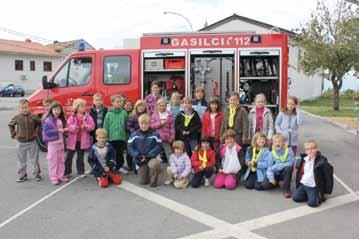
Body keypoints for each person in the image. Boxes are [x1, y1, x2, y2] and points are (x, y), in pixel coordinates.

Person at [8, 99, 42, 182]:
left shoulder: (33, 116)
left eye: (26, 107)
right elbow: (10, 124)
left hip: (32, 141)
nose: (24, 109)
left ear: (29, 107)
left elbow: (40, 123)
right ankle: (22, 175)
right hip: (20, 142)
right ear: (19, 109)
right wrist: (14, 134)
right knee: (21, 160)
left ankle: (36, 174)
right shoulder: (17, 117)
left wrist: (36, 132)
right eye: (22, 108)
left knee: (34, 159)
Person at [293, 140, 333, 207]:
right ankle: (311, 196)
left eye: (312, 148)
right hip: (304, 184)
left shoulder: (321, 161)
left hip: (313, 186)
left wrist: (326, 190)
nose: (310, 150)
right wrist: (298, 184)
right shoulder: (304, 159)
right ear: (306, 151)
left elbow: (328, 176)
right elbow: (299, 173)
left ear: (316, 149)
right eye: (308, 149)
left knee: (312, 204)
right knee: (296, 198)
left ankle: (317, 197)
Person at [127, 114, 162, 187]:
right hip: (140, 159)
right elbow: (130, 147)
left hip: (151, 158)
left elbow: (158, 146)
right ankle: (147, 172)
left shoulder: (155, 134)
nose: (144, 126)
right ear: (139, 124)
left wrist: (149, 155)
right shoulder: (134, 135)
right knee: (143, 182)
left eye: (146, 124)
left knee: (155, 164)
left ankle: (153, 180)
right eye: (142, 124)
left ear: (149, 124)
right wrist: (137, 155)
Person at [65, 98, 95, 178]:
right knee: (69, 157)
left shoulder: (88, 117)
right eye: (81, 106)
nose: (84, 108)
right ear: (76, 107)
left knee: (80, 157)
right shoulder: (72, 117)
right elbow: (68, 126)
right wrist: (74, 127)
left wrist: (85, 127)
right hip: (72, 141)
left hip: (82, 141)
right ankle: (67, 172)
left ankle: (80, 172)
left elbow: (92, 126)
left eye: (84, 106)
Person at [42, 102, 68, 185]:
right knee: (53, 161)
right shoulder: (48, 120)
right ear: (51, 110)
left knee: (61, 160)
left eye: (58, 109)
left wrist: (65, 130)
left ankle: (60, 175)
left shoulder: (60, 120)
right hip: (52, 144)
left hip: (60, 143)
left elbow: (63, 131)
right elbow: (46, 132)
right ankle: (53, 177)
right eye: (55, 109)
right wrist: (57, 130)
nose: (57, 111)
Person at [103, 94, 129, 174]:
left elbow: (126, 125)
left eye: (121, 101)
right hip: (111, 138)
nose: (119, 103)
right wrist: (105, 137)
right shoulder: (108, 114)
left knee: (120, 153)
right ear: (112, 103)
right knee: (111, 153)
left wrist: (126, 136)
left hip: (121, 137)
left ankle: (120, 166)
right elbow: (105, 126)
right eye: (117, 102)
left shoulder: (124, 113)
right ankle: (111, 167)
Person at [264, 134, 294, 198]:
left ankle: (286, 190)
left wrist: (277, 166)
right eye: (275, 141)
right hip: (275, 173)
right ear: (273, 143)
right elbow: (269, 167)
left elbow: (290, 163)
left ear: (283, 142)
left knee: (288, 168)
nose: (277, 143)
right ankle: (276, 182)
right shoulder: (271, 153)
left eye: (279, 141)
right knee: (265, 186)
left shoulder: (289, 151)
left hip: (284, 173)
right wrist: (271, 178)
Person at [126, 100, 149, 172]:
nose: (141, 107)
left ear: (145, 107)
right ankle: (130, 165)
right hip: (134, 136)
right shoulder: (132, 115)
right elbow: (128, 126)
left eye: (142, 106)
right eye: (139, 105)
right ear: (136, 107)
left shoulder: (147, 115)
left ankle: (141, 166)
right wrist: (135, 133)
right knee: (131, 151)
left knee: (142, 151)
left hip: (145, 136)